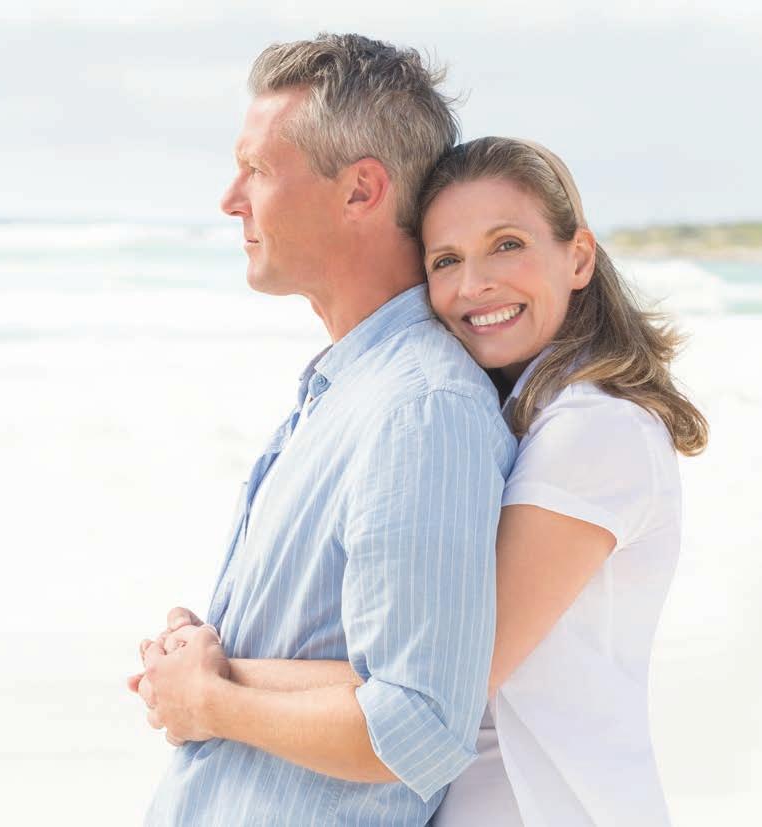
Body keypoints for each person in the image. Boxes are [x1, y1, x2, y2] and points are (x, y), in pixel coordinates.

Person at [143, 136, 709, 826]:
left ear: (579, 258)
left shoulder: (595, 430)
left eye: (506, 245)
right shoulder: (521, 417)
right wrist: (199, 662)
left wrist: (209, 681)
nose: (475, 284)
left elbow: (435, 684)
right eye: (446, 260)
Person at [128, 35, 517, 826]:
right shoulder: (346, 390)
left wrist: (207, 699)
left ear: (360, 191)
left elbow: (417, 724)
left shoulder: (420, 411)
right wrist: (211, 655)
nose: (230, 199)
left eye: (258, 169)